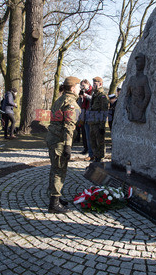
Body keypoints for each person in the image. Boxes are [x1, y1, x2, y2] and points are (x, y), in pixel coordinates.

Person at [46, 76, 81, 213]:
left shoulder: (60, 99)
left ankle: (56, 197)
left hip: (53, 138)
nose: (79, 88)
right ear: (72, 88)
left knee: (55, 169)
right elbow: (69, 125)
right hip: (59, 140)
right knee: (59, 171)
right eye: (78, 86)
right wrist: (68, 145)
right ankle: (54, 204)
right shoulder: (70, 102)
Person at [87, 77, 109, 162]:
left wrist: (102, 126)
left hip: (98, 123)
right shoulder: (95, 95)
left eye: (95, 84)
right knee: (93, 141)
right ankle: (96, 158)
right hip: (92, 122)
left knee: (99, 142)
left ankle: (100, 159)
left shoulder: (102, 96)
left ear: (100, 84)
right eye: (93, 84)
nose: (93, 86)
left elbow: (104, 112)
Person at [79, 79, 94, 159]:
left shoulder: (92, 91)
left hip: (91, 115)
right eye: (81, 86)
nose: (83, 87)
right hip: (84, 115)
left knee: (92, 136)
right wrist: (81, 97)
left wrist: (86, 96)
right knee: (87, 136)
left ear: (88, 84)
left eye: (84, 85)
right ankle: (90, 153)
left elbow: (94, 100)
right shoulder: (84, 92)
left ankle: (93, 154)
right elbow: (80, 104)